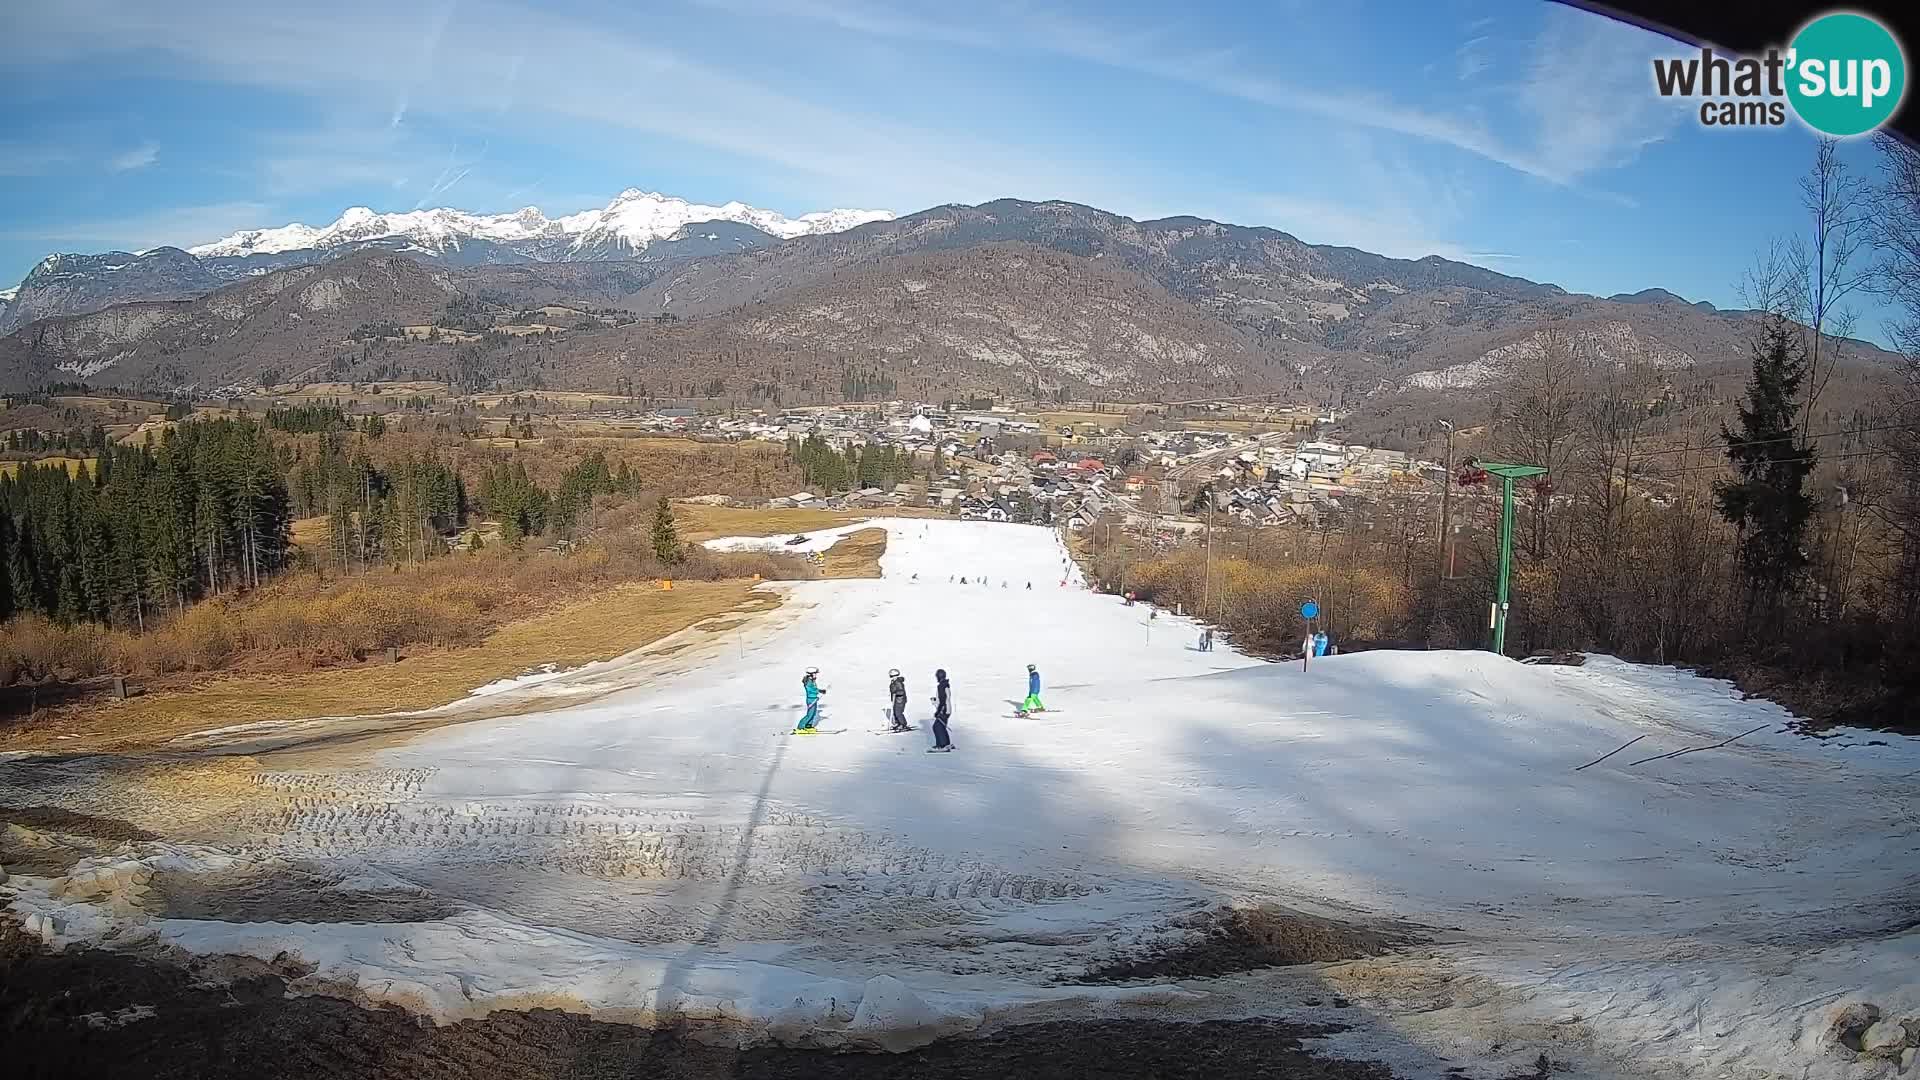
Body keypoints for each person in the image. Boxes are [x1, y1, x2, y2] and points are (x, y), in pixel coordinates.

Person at [929, 669, 953, 751]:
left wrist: (938, 712)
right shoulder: (945, 685)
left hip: (944, 710)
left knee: (937, 727)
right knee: (941, 726)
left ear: (939, 676)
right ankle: (946, 744)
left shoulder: (941, 686)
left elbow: (943, 701)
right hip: (947, 709)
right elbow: (944, 698)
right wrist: (936, 701)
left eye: (937, 676)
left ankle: (942, 745)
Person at [794, 668, 824, 733]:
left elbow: (814, 689)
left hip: (814, 698)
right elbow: (811, 690)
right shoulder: (808, 682)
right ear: (811, 674)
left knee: (813, 713)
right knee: (809, 714)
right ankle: (800, 727)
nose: (816, 675)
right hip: (811, 699)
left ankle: (808, 726)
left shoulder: (812, 681)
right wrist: (819, 691)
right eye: (815, 674)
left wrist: (820, 690)